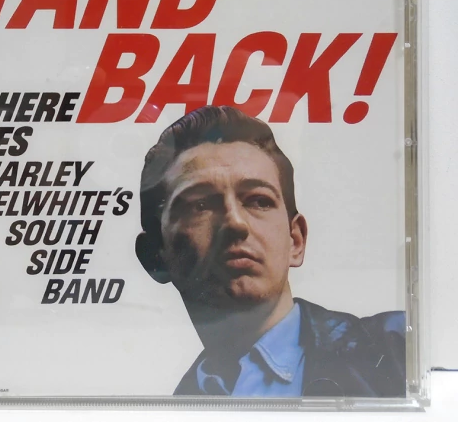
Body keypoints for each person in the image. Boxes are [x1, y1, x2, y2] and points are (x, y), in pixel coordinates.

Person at [135, 105, 405, 398]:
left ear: (296, 240)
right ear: (155, 256)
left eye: (259, 201)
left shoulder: (404, 350)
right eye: (200, 205)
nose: (235, 223)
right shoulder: (167, 409)